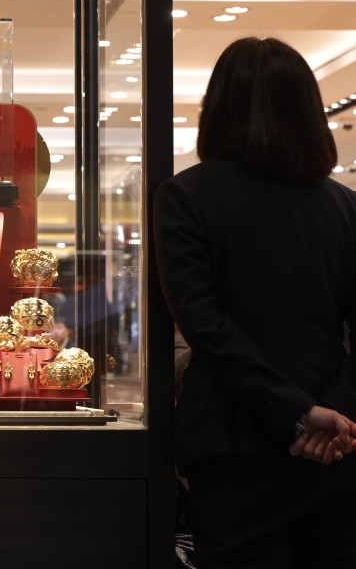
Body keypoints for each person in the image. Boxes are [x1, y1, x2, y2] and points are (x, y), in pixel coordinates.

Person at [154, 36, 356, 568]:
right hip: (337, 444)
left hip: (232, 438)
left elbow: (205, 326)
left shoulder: (187, 196)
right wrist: (329, 415)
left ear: (216, 110)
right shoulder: (345, 206)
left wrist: (297, 412)